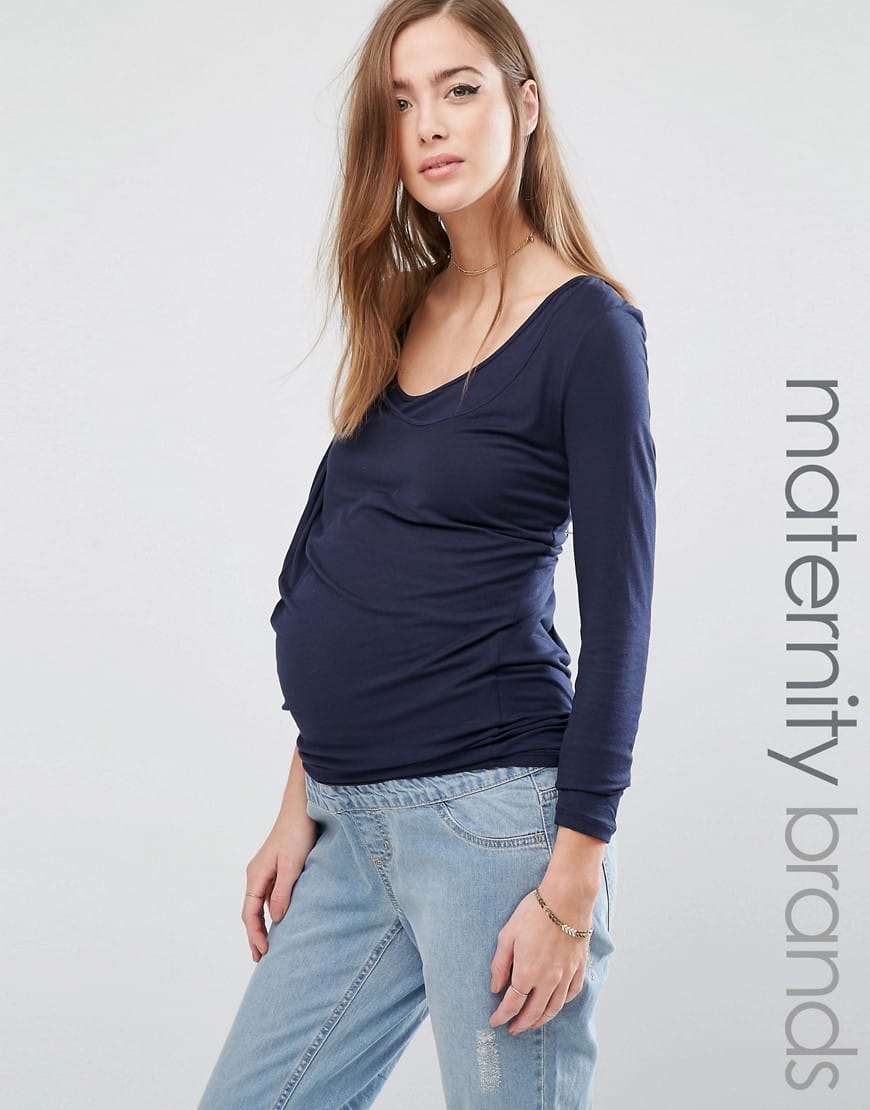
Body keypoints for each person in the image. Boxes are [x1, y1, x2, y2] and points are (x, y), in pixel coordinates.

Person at [197, 0, 656, 1106]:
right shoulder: (407, 308)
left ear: (524, 106)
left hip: (491, 824)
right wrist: (299, 798)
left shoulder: (588, 330)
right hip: (348, 823)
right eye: (402, 104)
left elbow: (623, 618)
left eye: (459, 89)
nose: (431, 125)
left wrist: (571, 887)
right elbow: (353, 554)